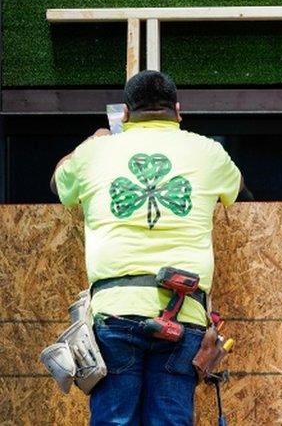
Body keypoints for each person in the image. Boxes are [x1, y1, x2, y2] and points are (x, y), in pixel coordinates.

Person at [51, 70, 244, 425]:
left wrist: (88, 144)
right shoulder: (208, 151)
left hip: (115, 312)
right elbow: (234, 190)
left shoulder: (95, 151)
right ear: (178, 111)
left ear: (124, 114)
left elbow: (60, 186)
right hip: (182, 312)